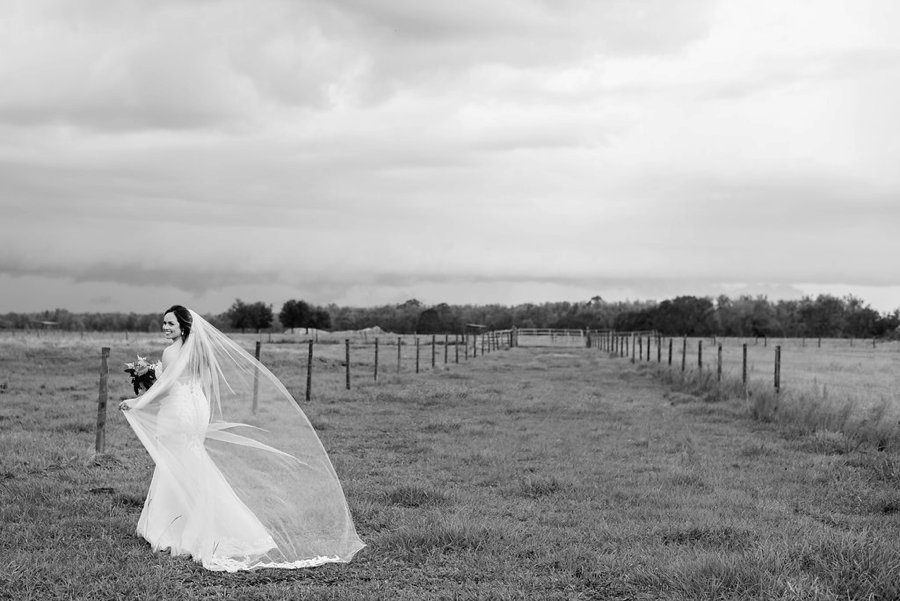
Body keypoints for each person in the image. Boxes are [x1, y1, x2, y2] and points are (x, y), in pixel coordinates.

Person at [119, 305, 364, 572]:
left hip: (178, 412)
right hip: (197, 409)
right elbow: (196, 382)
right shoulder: (199, 350)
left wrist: (139, 400)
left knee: (176, 464)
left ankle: (176, 527)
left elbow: (168, 385)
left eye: (170, 324)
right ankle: (191, 520)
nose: (165, 328)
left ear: (183, 326)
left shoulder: (170, 353)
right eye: (163, 323)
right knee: (190, 462)